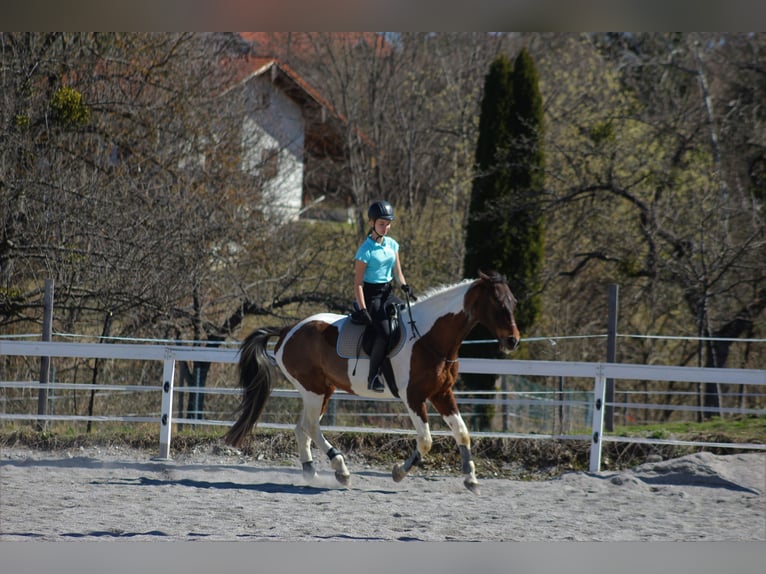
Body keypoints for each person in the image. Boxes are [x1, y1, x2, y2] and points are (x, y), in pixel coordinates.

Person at [353, 200, 412, 392]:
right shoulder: (365, 251)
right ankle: (373, 377)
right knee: (384, 332)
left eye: (388, 224)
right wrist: (362, 309)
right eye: (381, 224)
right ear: (372, 223)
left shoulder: (393, 245)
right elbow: (358, 284)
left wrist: (404, 286)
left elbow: (398, 273)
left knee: (409, 316)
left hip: (388, 292)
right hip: (372, 296)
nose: (385, 228)